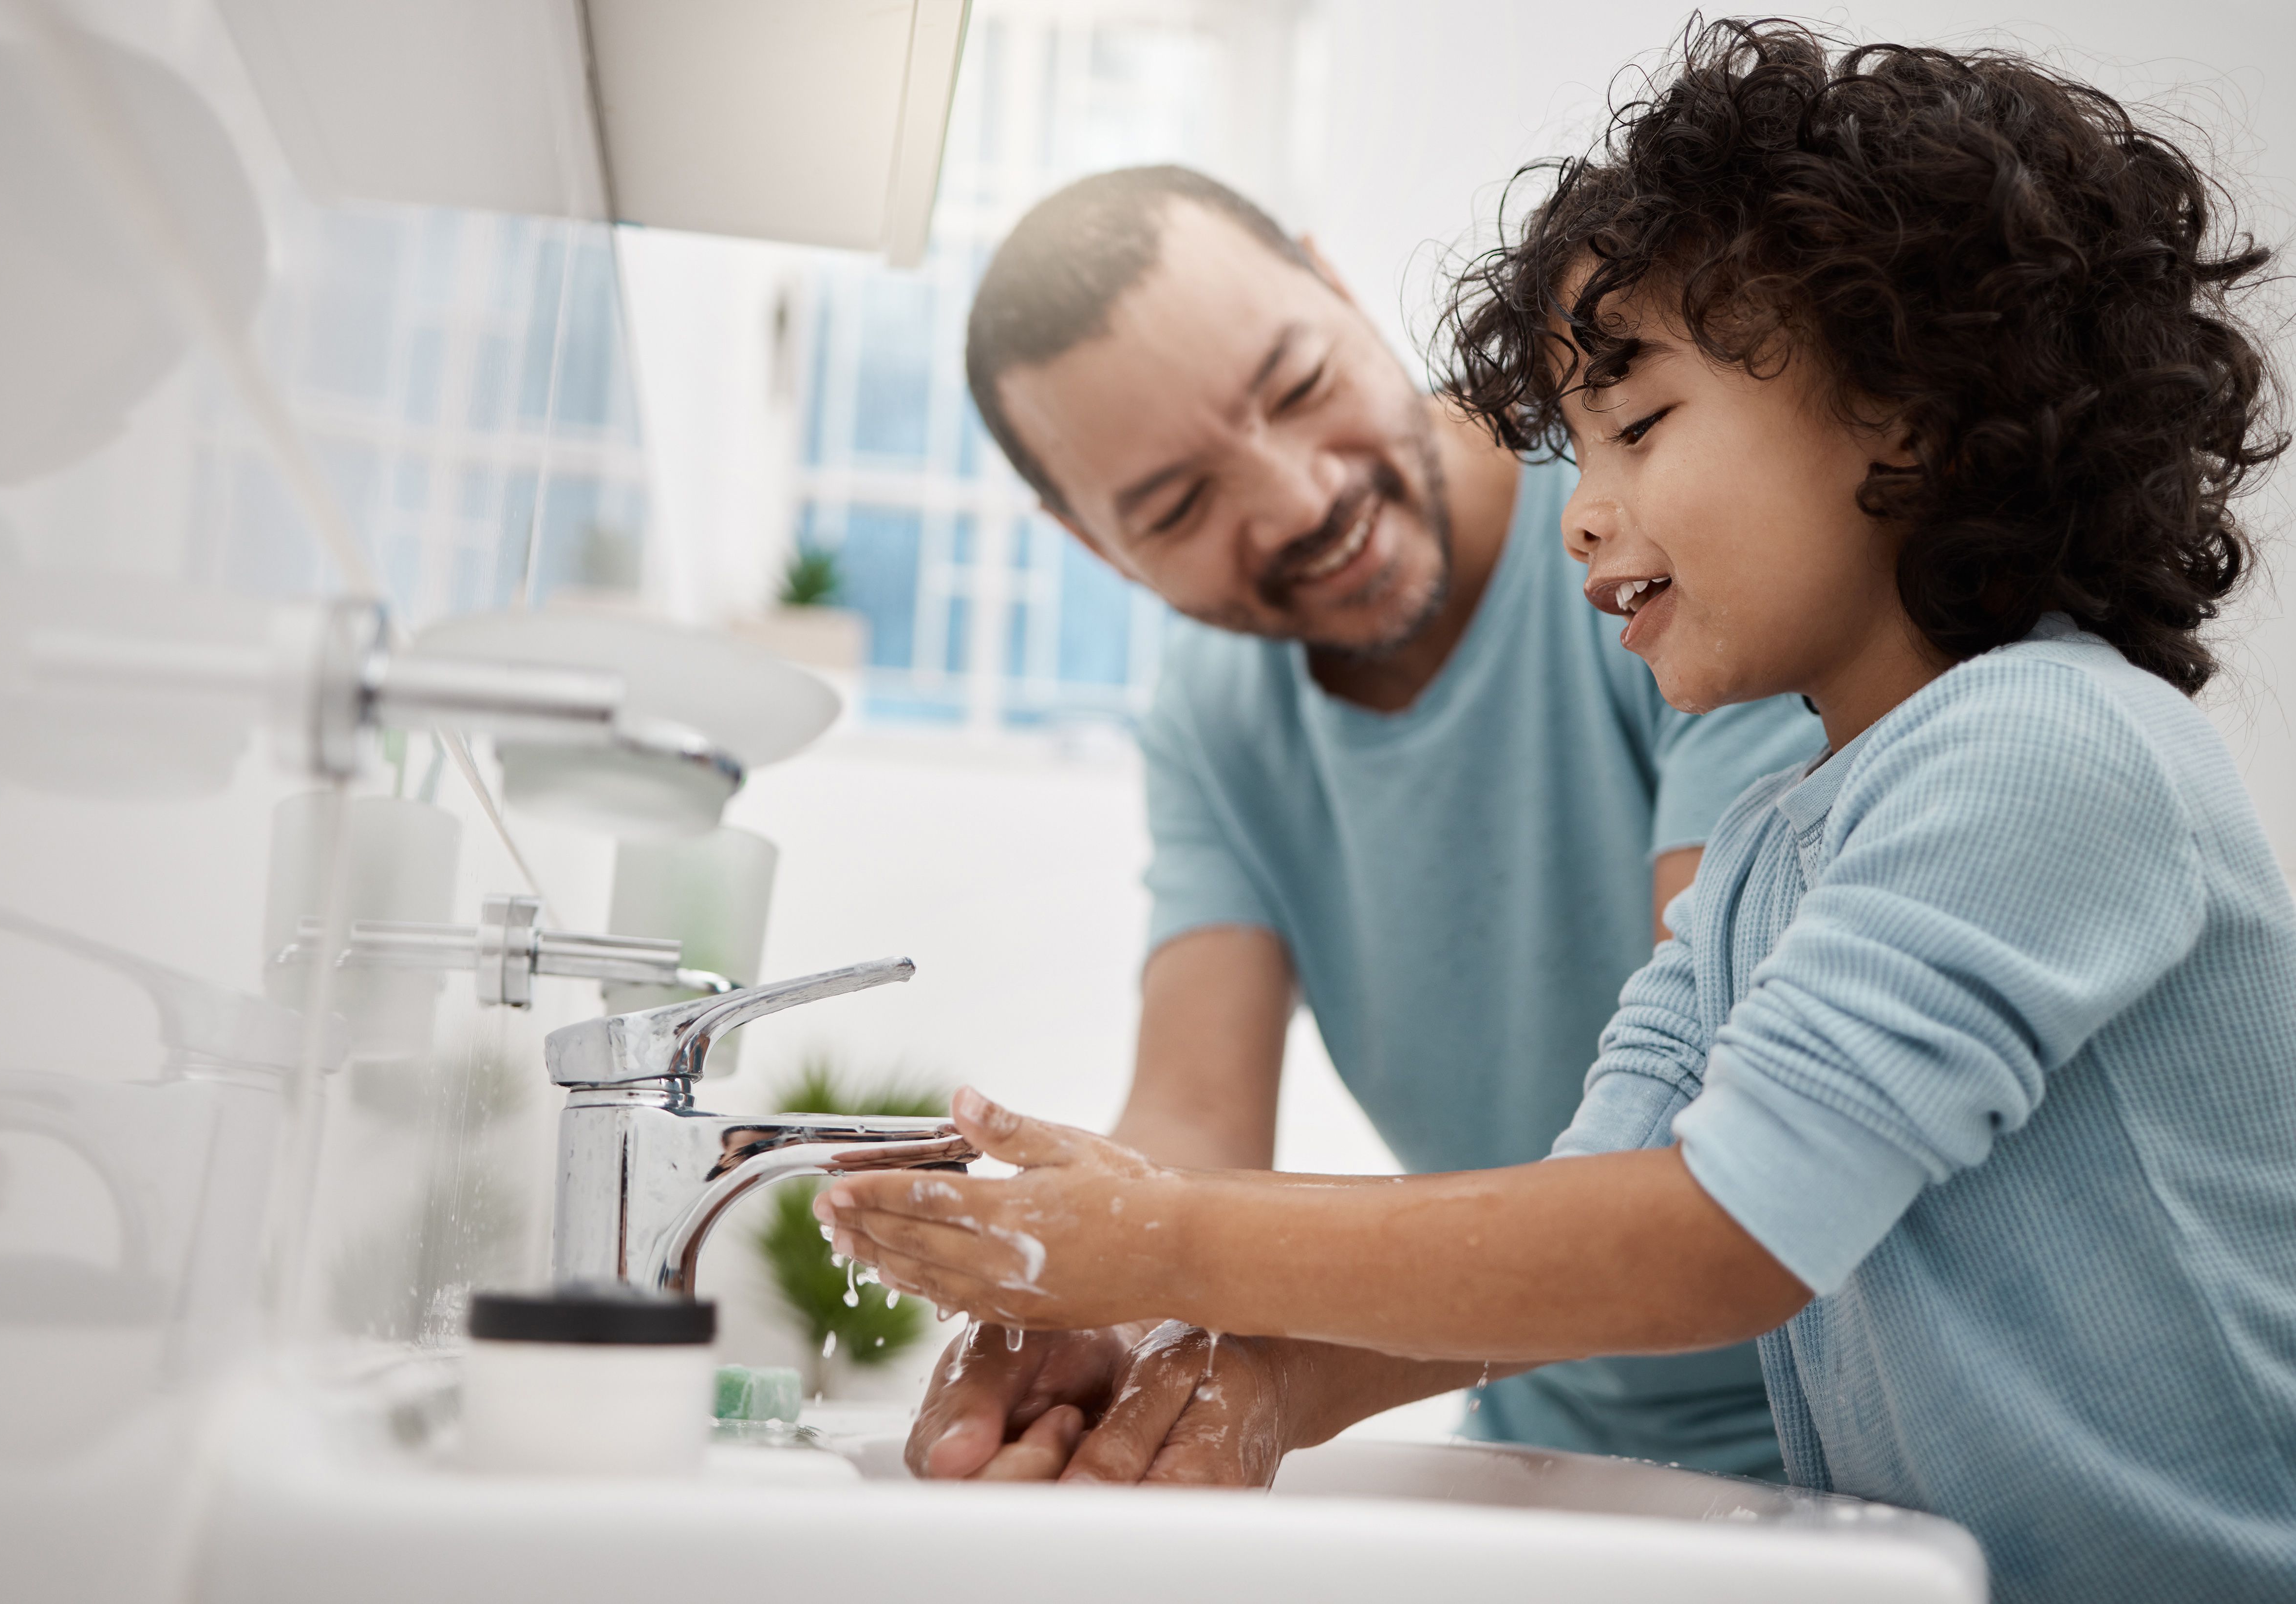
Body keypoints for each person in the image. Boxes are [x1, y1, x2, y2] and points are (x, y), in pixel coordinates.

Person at [821, 22, 2296, 1602]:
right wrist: (1250, 1382)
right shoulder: (1766, 855)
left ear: (1907, 407)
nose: (1578, 510)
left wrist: (1165, 1245)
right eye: (1574, 444)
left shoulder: (2045, 749)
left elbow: (1717, 1232)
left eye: (1638, 428)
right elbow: (1596, 1208)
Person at [910, 163, 1823, 1483]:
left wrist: (1212, 1296)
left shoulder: (1649, 543)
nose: (1296, 500)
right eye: (1176, 507)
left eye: (1297, 389)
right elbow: (1194, 1113)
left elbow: (1708, 1126)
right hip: (1542, 1452)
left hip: (1841, 1436)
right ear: (1100, 550)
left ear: (1341, 290)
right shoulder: (1219, 711)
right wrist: (1094, 1303)